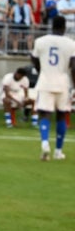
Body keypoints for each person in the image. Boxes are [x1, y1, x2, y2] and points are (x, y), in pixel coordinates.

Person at [30, 15, 75, 161]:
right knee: (62, 115)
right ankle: (58, 150)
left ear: (51, 26)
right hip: (63, 81)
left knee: (45, 114)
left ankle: (44, 142)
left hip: (45, 80)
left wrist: (42, 69)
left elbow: (34, 59)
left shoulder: (40, 41)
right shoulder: (71, 43)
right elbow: (73, 66)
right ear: (64, 27)